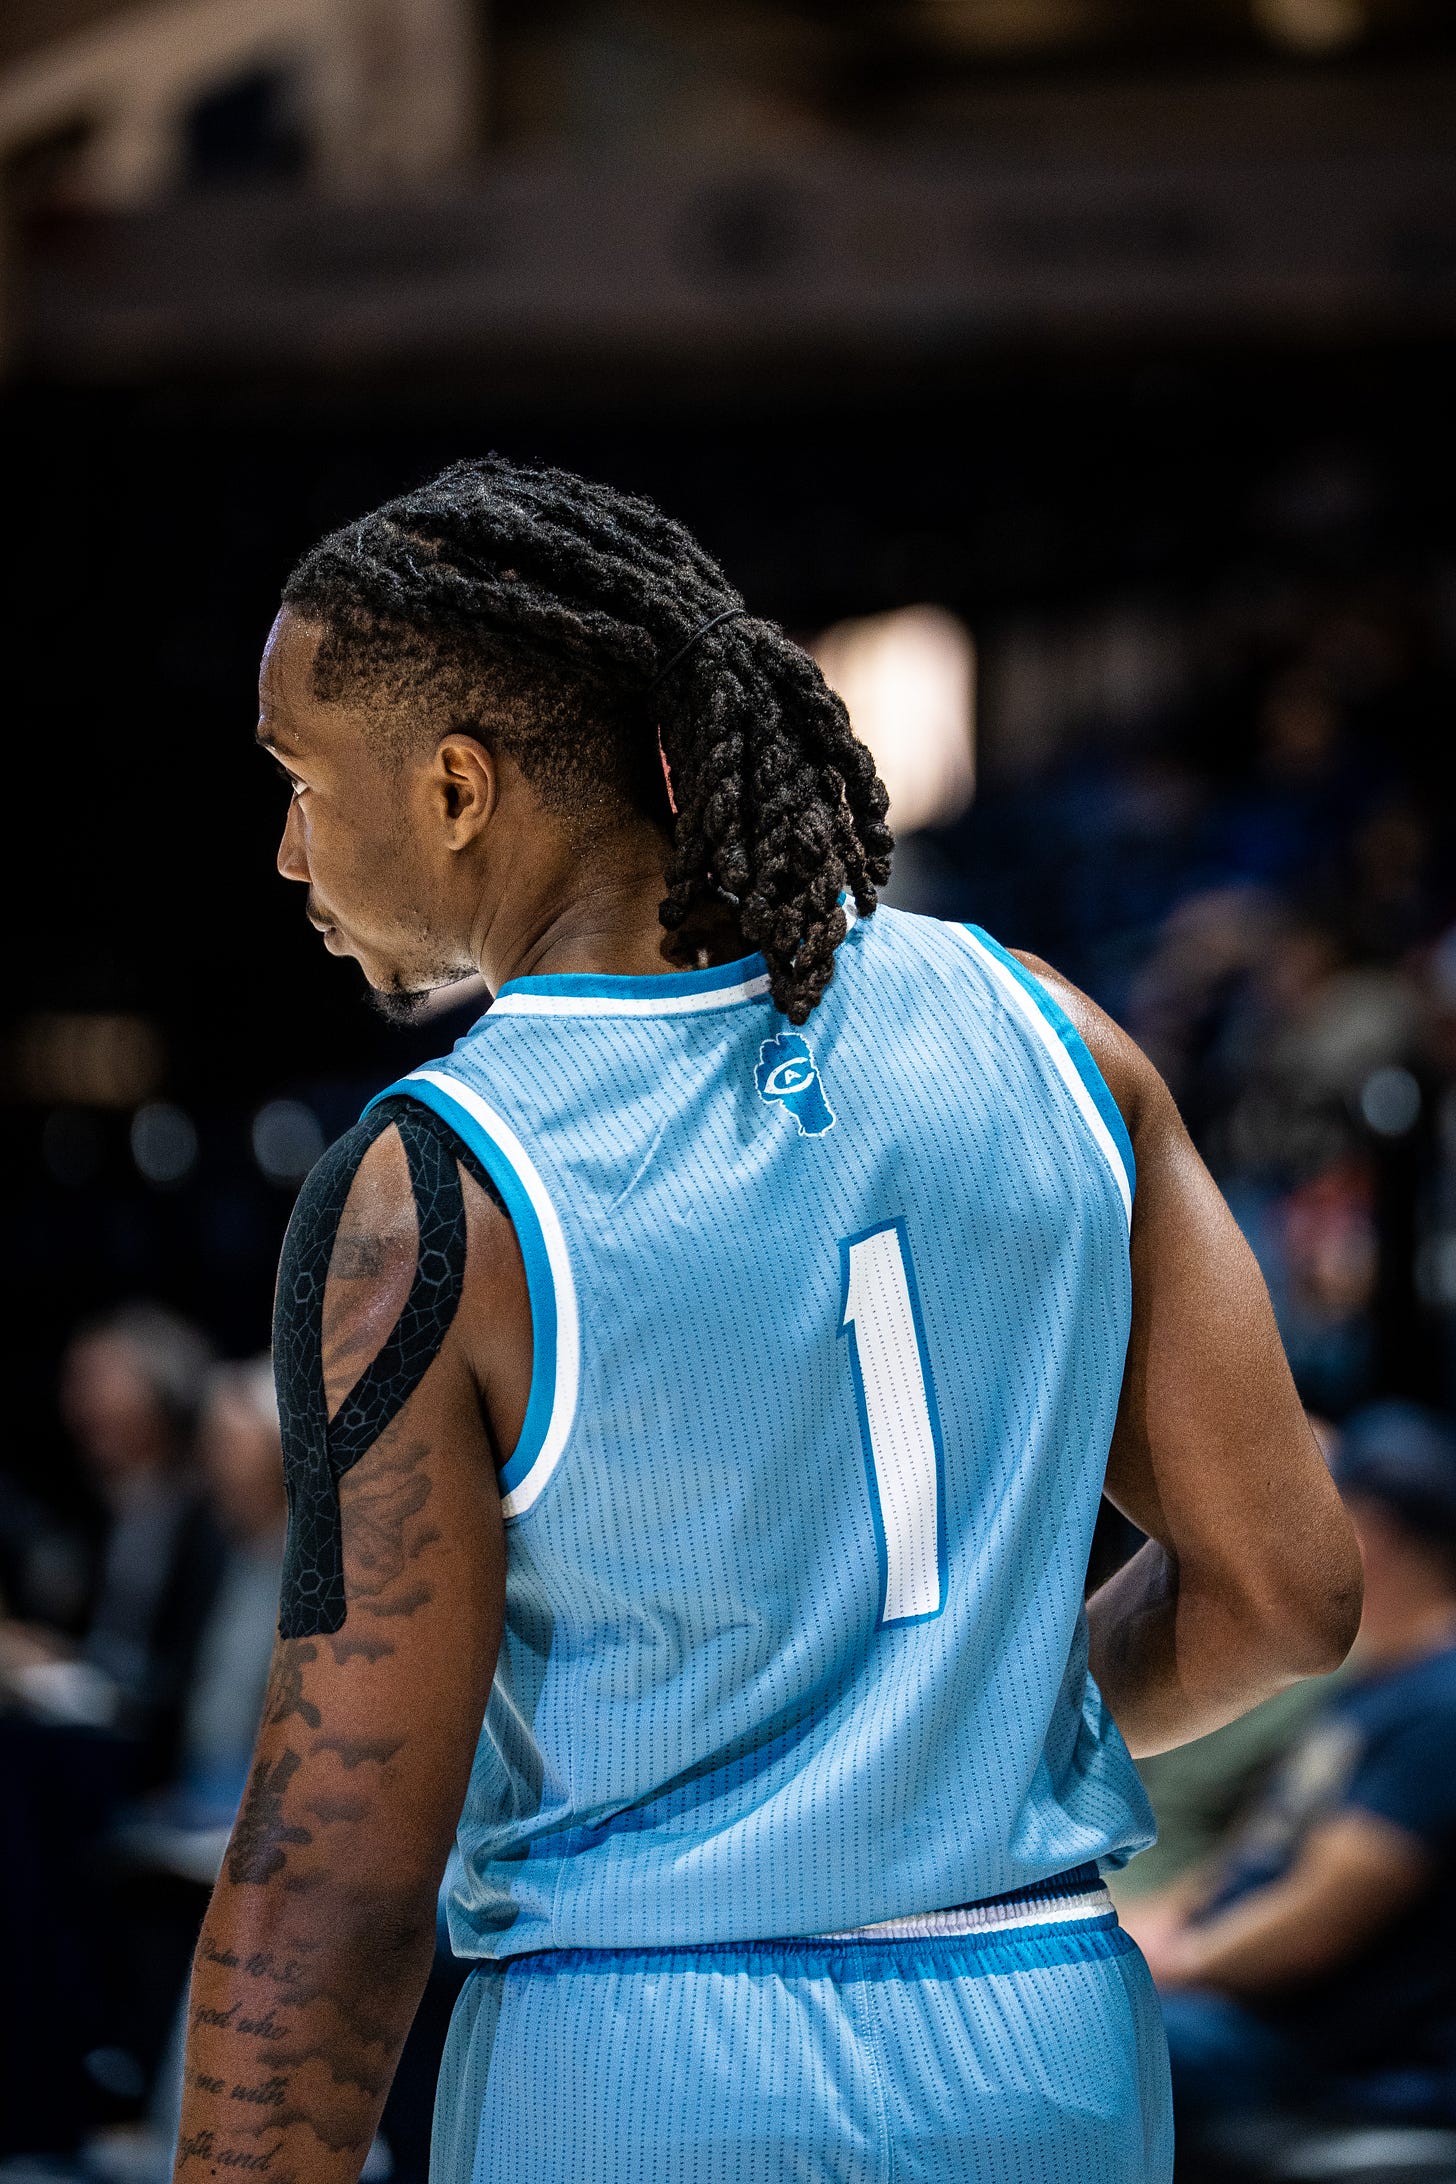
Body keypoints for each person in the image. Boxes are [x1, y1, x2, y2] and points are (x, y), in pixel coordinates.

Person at [173, 456, 1361, 2184]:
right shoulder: (1060, 1037)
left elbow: (337, 1877)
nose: (288, 845)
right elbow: (1290, 1590)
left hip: (646, 2059)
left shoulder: (439, 1187)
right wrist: (972, 1743)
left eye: (299, 779)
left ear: (454, 787)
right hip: (1047, 2045)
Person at [1133, 1401, 1456, 2131]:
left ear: (1369, 1534)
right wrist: (1156, 1926)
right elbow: (1259, 1852)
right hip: (1246, 2010)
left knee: (1066, 2036)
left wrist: (1178, 1963)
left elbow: (1316, 1923)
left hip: (1317, 2053)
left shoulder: (1441, 1701)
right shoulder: (1378, 1679)